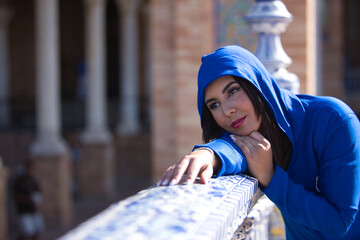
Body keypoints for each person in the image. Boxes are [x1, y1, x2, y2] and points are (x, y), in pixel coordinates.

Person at [158, 45, 360, 239]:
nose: (227, 110)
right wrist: (208, 154)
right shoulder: (249, 132)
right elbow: (231, 147)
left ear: (257, 84)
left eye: (233, 91)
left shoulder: (334, 120)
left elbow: (340, 222)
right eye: (214, 105)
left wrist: (271, 177)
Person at [13, 159, 44, 240]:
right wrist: (27, 200)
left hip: (33, 210)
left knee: (36, 231)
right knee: (26, 233)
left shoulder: (33, 180)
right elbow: (16, 195)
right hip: (24, 211)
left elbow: (38, 192)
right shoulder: (20, 181)